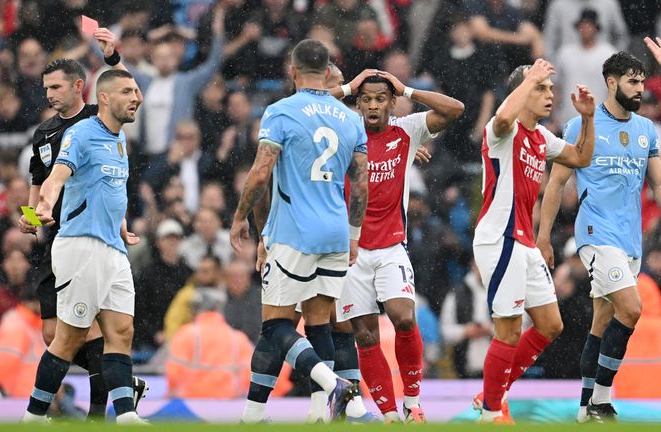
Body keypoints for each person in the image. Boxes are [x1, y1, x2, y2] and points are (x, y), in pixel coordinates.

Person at [538, 52, 661, 423]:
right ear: (612, 82)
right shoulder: (580, 126)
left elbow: (660, 183)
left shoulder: (646, 129)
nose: (640, 89)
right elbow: (557, 184)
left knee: (601, 322)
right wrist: (544, 237)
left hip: (630, 239)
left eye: (642, 82)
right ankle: (602, 402)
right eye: (633, 82)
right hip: (595, 232)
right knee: (632, 308)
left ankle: (583, 407)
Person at [230, 39, 369, 423]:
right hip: (336, 233)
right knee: (318, 322)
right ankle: (318, 415)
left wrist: (241, 216)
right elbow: (360, 183)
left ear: (292, 71)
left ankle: (336, 385)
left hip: (295, 233)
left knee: (276, 326)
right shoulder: (350, 118)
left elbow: (261, 173)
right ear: (328, 72)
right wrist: (354, 234)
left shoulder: (281, 112)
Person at [16, 29, 146, 420]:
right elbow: (45, 180)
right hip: (65, 236)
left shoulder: (102, 119)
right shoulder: (55, 133)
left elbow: (124, 87)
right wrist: (33, 214)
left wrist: (111, 55)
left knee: (114, 332)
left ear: (80, 87)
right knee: (60, 336)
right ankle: (38, 415)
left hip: (103, 239)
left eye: (56, 86)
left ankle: (113, 415)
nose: (50, 95)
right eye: (45, 88)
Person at [332, 69, 464, 423]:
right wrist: (348, 85)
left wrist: (406, 88)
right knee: (364, 334)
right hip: (350, 251)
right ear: (357, 104)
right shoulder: (344, 131)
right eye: (366, 99)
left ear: (392, 103)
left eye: (380, 99)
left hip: (392, 247)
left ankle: (412, 402)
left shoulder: (407, 129)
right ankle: (390, 415)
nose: (373, 105)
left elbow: (455, 109)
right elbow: (307, 107)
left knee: (404, 318)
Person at [472, 58, 597, 424]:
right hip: (500, 238)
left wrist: (587, 119)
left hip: (524, 242)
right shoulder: (503, 131)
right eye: (540, 88)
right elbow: (502, 118)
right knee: (508, 330)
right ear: (521, 92)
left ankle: (490, 394)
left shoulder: (541, 138)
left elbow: (579, 156)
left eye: (549, 88)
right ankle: (492, 412)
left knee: (550, 325)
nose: (549, 95)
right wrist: (529, 79)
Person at [165, 287, 252, 398]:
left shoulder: (185, 334)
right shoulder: (237, 337)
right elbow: (248, 373)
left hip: (190, 400)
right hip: (228, 400)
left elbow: (173, 371)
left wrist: (174, 391)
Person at [0, 284, 45, 398]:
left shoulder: (35, 324)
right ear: (30, 302)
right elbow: (4, 365)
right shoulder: (16, 324)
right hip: (21, 395)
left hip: (33, 393)